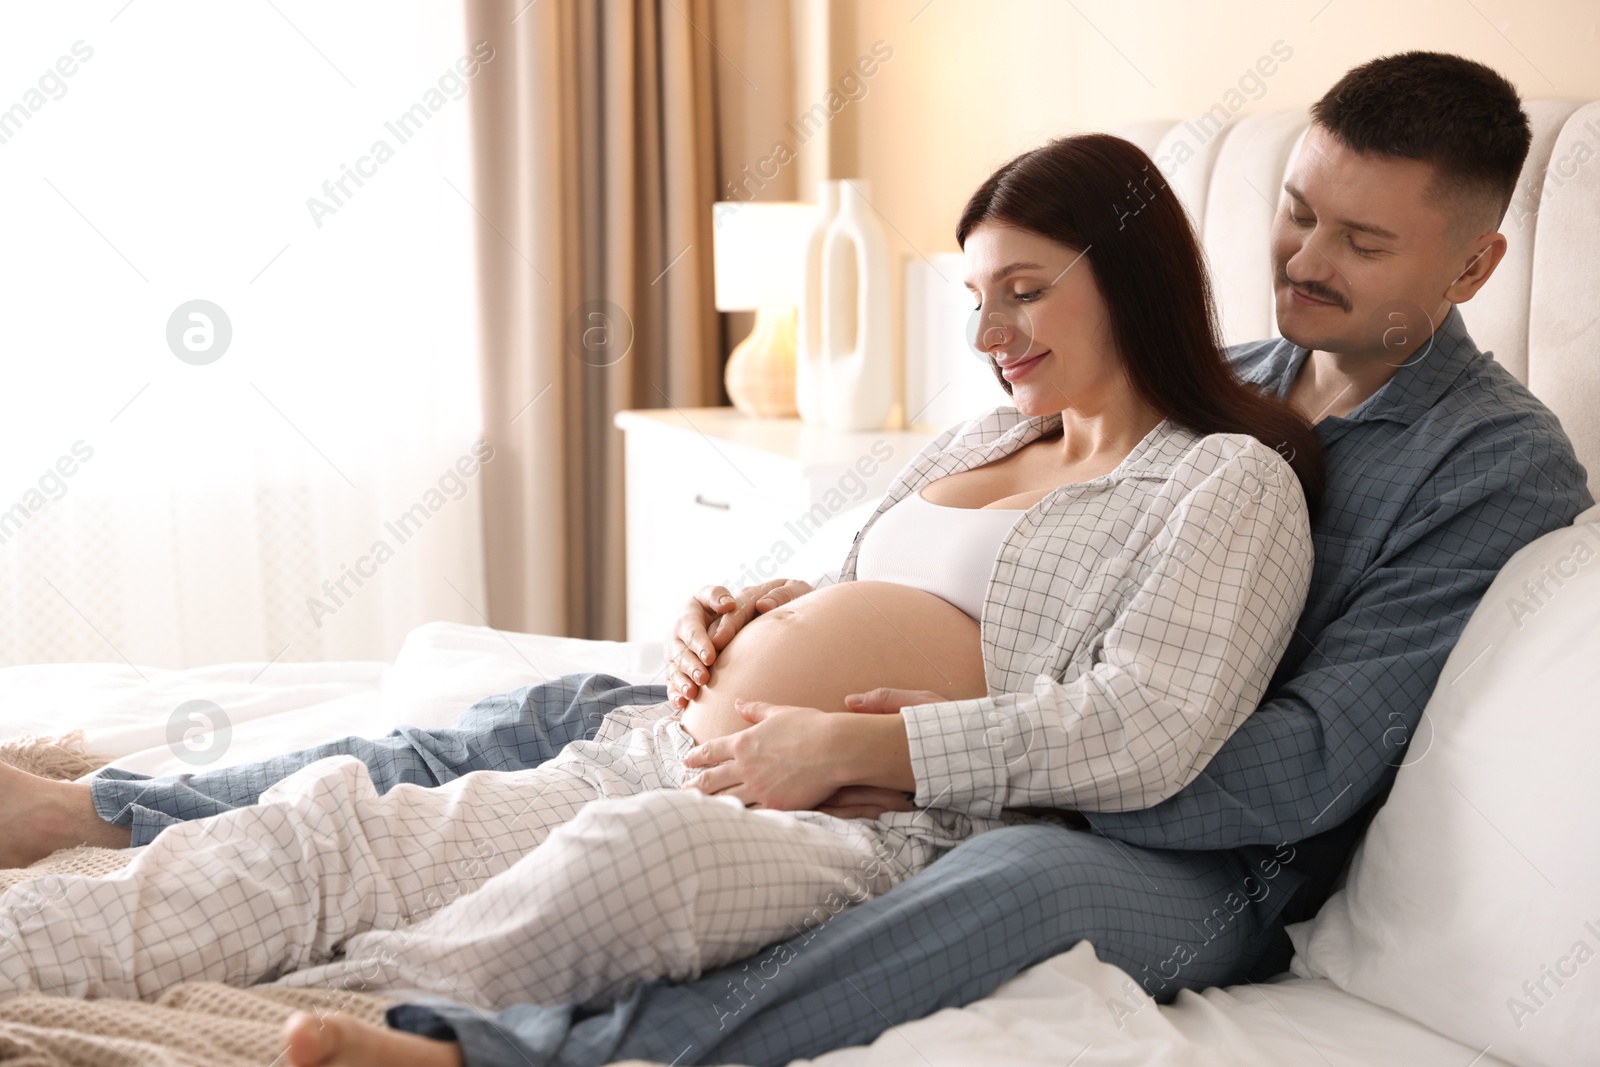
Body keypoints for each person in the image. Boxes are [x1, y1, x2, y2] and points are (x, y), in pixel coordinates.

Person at [0, 51, 1589, 1067]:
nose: (1303, 261)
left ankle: (500, 1048)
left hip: (1202, 848)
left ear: (1477, 263)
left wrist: (905, 757)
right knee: (557, 708)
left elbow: (1296, 764)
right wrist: (784, 613)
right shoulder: (1225, 370)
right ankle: (119, 811)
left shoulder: (1483, 466)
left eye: (1359, 244)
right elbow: (983, 557)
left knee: (997, 882)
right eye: (1297, 214)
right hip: (884, 752)